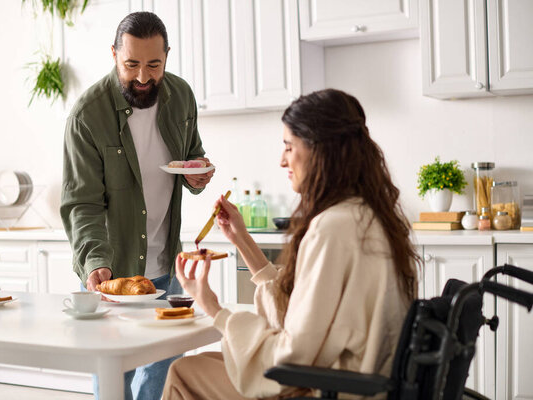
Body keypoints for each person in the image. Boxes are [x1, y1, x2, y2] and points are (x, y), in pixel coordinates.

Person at [163, 89, 420, 399]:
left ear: (321, 150)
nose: (282, 159)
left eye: (289, 146)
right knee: (201, 367)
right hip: (361, 383)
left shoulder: (333, 228)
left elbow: (293, 356)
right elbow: (307, 308)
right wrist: (242, 240)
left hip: (331, 389)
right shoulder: (369, 215)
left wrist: (214, 309)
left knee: (183, 372)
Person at [60, 11, 214, 400]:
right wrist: (96, 261)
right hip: (112, 274)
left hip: (167, 269)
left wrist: (196, 174)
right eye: (131, 64)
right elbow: (82, 203)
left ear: (167, 58)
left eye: (153, 65)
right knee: (115, 381)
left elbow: (192, 155)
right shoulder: (87, 116)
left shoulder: (181, 96)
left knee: (161, 381)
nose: (143, 77)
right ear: (114, 55)